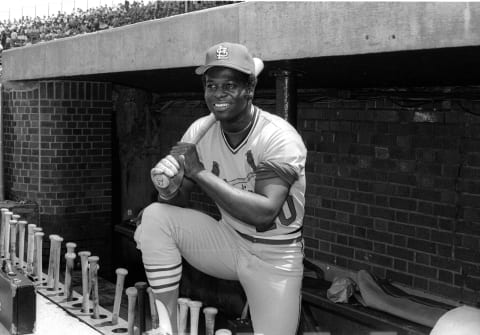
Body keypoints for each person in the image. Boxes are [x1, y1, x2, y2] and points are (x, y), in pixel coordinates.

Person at [134, 42, 307, 335]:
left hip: (275, 255)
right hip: (227, 242)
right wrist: (168, 188)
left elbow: (264, 214)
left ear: (249, 89)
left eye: (229, 85)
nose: (218, 94)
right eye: (211, 85)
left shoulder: (279, 136)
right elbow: (178, 202)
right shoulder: (199, 132)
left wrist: (198, 171)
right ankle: (166, 327)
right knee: (154, 217)